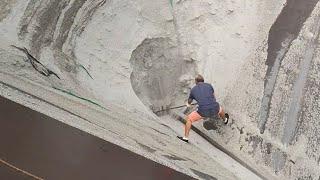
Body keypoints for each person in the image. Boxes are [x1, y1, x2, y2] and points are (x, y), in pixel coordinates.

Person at [178, 74, 229, 143]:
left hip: (203, 112)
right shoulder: (209, 86)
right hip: (215, 109)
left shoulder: (193, 90)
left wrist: (188, 104)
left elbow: (189, 102)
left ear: (196, 81)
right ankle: (225, 119)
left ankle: (185, 137)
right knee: (219, 108)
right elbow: (213, 98)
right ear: (203, 81)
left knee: (189, 119)